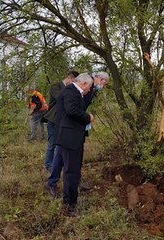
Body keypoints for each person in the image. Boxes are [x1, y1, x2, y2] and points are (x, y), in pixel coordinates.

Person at [44, 72, 110, 198]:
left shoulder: (90, 88)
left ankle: (73, 181)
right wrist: (86, 117)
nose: (103, 87)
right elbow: (74, 108)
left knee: (67, 157)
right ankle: (53, 183)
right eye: (104, 84)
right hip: (66, 127)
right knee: (61, 155)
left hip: (74, 127)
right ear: (100, 79)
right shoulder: (83, 86)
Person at [51, 72, 100, 217]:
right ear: (84, 84)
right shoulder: (70, 91)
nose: (88, 90)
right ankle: (69, 206)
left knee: (73, 171)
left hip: (72, 138)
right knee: (71, 172)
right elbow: (72, 110)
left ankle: (70, 203)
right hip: (69, 138)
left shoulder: (74, 92)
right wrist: (88, 117)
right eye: (89, 87)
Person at [42, 71, 79, 171]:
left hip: (63, 121)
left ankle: (57, 165)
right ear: (70, 79)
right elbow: (61, 97)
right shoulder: (55, 86)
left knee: (62, 145)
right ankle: (48, 165)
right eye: (74, 82)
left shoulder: (70, 89)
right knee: (52, 144)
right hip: (53, 120)